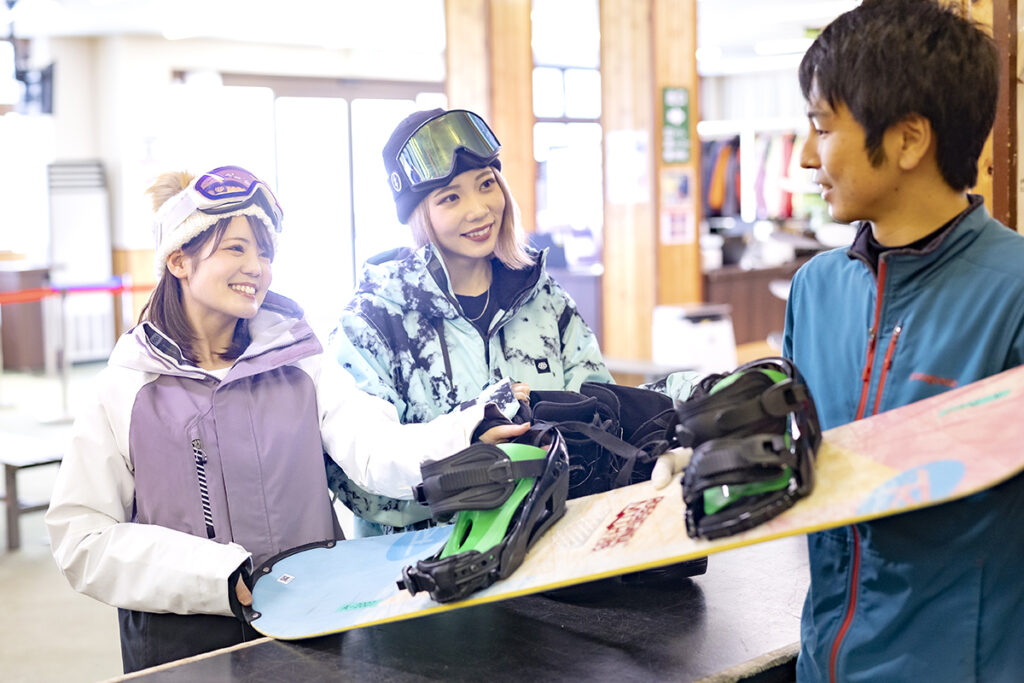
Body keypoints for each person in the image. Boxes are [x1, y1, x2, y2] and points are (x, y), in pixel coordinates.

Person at [45, 165, 527, 673]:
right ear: (179, 260)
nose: (257, 266)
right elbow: (82, 538)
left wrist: (467, 430)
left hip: (313, 625)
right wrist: (213, 576)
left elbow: (374, 447)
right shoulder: (127, 389)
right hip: (183, 646)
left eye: (264, 251)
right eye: (236, 248)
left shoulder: (299, 361)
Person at [784, 1, 1024, 680]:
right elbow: (805, 464)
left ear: (909, 139)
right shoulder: (816, 289)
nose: (806, 156)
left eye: (822, 127)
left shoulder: (1015, 291)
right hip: (823, 663)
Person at [329, 108, 696, 534]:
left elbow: (599, 412)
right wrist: (474, 455)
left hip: (549, 556)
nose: (479, 209)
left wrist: (683, 408)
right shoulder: (372, 323)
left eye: (487, 184)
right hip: (425, 573)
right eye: (450, 197)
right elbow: (358, 481)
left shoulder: (544, 300)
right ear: (418, 215)